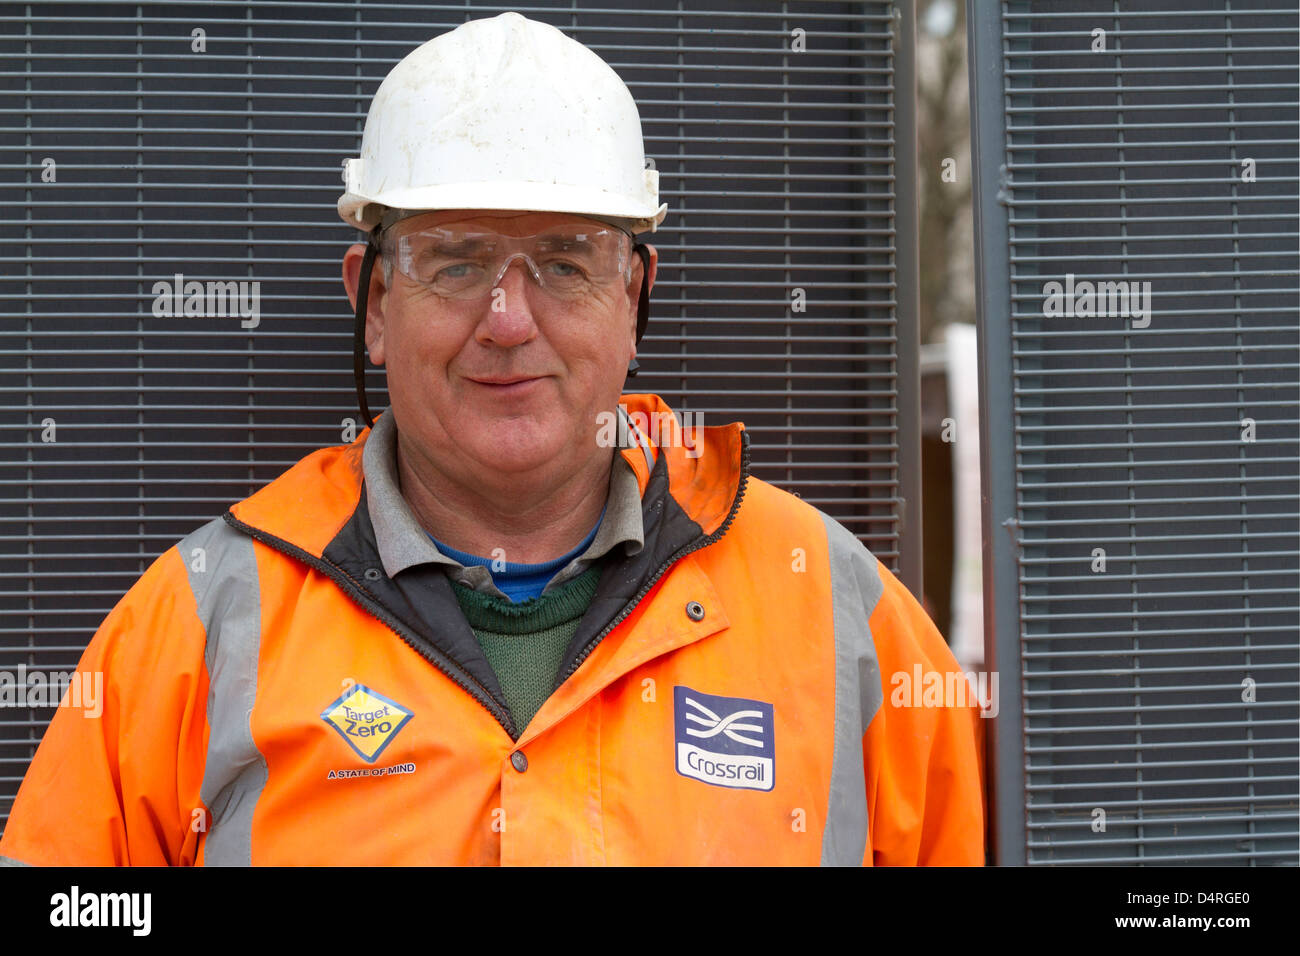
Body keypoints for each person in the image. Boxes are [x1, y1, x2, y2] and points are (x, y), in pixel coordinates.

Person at [0, 12, 984, 866]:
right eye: (457, 261)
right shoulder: (202, 622)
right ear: (374, 301)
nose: (508, 319)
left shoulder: (838, 612)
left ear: (632, 299)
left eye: (564, 261)